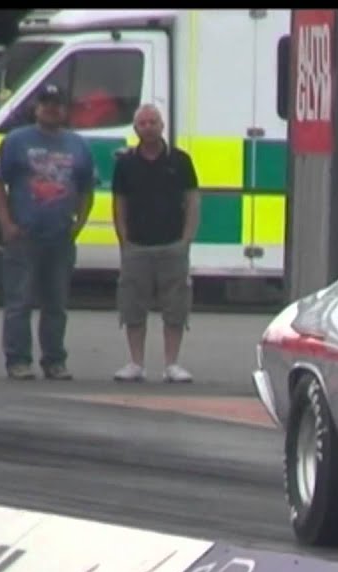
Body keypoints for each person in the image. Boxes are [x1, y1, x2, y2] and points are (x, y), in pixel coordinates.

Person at [0, 83, 96, 381]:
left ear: (65, 109)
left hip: (60, 236)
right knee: (19, 301)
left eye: (57, 104)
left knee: (56, 304)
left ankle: (54, 361)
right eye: (46, 103)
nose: (52, 108)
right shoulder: (16, 141)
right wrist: (6, 224)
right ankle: (18, 360)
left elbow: (87, 188)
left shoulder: (78, 145)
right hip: (23, 234)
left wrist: (79, 224)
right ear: (36, 108)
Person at [110, 104, 201, 383]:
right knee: (132, 305)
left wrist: (186, 239)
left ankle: (172, 364)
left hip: (172, 245)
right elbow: (119, 204)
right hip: (136, 246)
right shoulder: (125, 163)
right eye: (143, 123)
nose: (148, 127)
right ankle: (136, 363)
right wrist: (124, 240)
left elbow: (193, 200)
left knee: (175, 306)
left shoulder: (181, 161)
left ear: (162, 126)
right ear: (136, 129)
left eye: (153, 122)